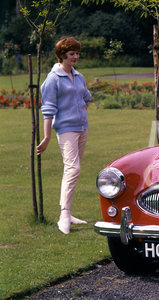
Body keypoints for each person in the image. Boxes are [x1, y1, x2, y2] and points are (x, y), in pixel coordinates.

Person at [36, 37, 91, 234]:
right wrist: (47, 137)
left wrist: (80, 112)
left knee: (73, 171)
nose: (75, 57)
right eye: (71, 54)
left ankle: (68, 212)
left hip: (82, 128)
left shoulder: (79, 76)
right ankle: (64, 214)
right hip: (66, 130)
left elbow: (86, 97)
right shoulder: (52, 79)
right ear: (62, 55)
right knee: (73, 168)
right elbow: (48, 109)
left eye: (77, 53)